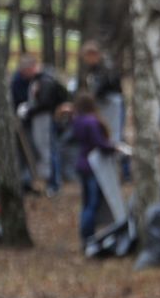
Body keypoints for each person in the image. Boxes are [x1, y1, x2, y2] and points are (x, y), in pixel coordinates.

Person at [66, 91, 118, 244]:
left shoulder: (77, 121)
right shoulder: (91, 122)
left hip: (82, 163)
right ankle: (88, 235)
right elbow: (99, 143)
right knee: (92, 203)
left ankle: (86, 235)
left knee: (86, 201)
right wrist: (113, 148)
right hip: (93, 166)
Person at [11, 53, 65, 194]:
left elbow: (45, 103)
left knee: (49, 151)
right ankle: (45, 181)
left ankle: (53, 183)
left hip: (46, 121)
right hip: (38, 121)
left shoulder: (45, 80)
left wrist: (29, 111)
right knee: (43, 151)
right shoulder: (33, 81)